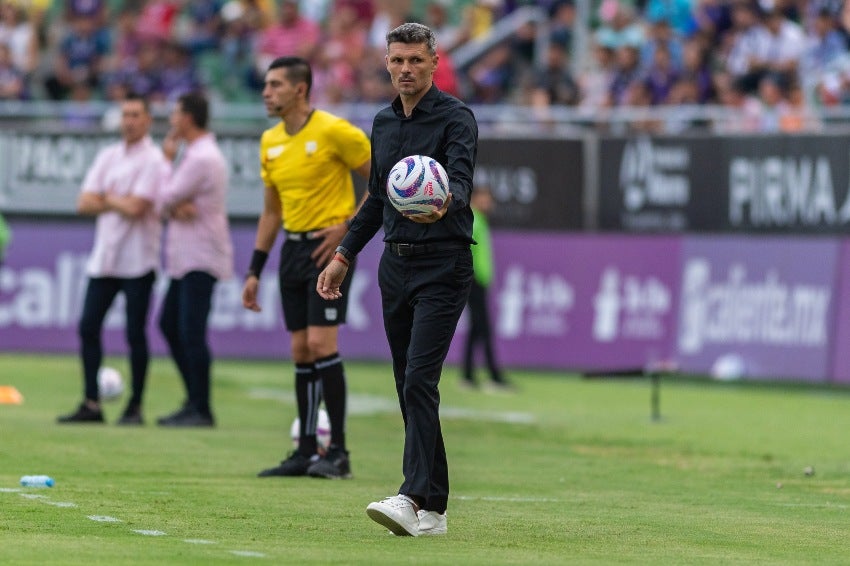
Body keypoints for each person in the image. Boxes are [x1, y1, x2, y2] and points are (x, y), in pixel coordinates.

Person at [317, 22, 478, 537]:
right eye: (397, 60)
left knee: (418, 380)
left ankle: (411, 497)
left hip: (443, 263)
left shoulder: (456, 118)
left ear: (434, 62)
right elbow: (377, 199)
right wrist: (344, 253)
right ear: (386, 63)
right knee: (408, 385)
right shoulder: (383, 123)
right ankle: (434, 509)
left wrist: (442, 200)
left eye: (415, 60)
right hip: (395, 263)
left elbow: (460, 181)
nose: (405, 69)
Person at [243, 56, 371, 479]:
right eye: (266, 84)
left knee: (321, 345)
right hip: (292, 253)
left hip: (327, 250)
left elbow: (383, 179)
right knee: (300, 350)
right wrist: (255, 270)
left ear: (300, 89)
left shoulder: (334, 131)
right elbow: (270, 213)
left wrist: (349, 229)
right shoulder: (270, 142)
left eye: (275, 84)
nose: (267, 92)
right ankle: (305, 451)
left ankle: (339, 452)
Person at [57, 93, 164, 425]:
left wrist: (107, 197)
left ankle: (135, 405)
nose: (129, 121)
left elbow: (137, 208)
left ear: (147, 120)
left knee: (135, 333)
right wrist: (119, 200)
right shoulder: (109, 155)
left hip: (139, 259)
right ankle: (91, 402)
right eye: (125, 115)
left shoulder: (154, 160)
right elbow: (83, 203)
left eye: (136, 114)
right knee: (88, 326)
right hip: (105, 257)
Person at [156, 91, 234, 427]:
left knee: (190, 331)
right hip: (187, 254)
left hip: (200, 254)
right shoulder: (197, 154)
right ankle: (193, 400)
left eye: (175, 113)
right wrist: (174, 204)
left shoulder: (201, 157)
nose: (172, 120)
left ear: (188, 117)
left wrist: (164, 162)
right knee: (171, 325)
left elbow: (162, 197)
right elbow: (171, 202)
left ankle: (201, 407)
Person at [461, 184, 510, 391]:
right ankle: (493, 376)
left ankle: (469, 376)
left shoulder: (479, 219)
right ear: (476, 198)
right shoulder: (472, 218)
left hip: (479, 280)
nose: (489, 203)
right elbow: (467, 250)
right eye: (485, 198)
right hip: (474, 281)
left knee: (476, 329)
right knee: (484, 328)